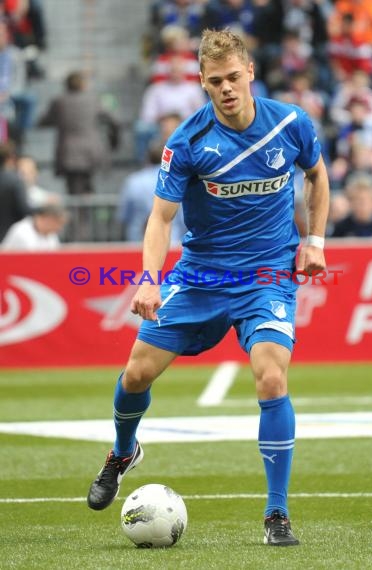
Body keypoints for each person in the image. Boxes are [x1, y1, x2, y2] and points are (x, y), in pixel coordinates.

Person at [87, 28, 330, 547]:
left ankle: (276, 514)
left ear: (251, 75)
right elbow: (159, 219)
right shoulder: (188, 143)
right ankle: (123, 452)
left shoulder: (290, 123)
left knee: (271, 379)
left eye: (234, 78)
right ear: (201, 82)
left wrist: (315, 239)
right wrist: (150, 280)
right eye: (214, 81)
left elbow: (316, 174)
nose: (226, 88)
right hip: (200, 274)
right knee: (134, 374)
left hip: (267, 275)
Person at [1, 199, 68, 250]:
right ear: (45, 218)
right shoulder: (21, 231)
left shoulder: (51, 234)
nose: (59, 228)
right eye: (57, 223)